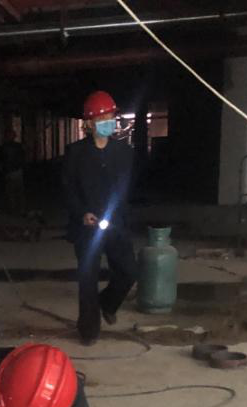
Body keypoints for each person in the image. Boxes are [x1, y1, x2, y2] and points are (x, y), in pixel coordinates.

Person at [62, 90, 137, 345]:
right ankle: (88, 330)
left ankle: (107, 303)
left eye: (111, 117)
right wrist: (81, 213)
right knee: (87, 280)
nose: (108, 122)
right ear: (90, 123)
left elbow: (126, 189)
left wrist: (121, 216)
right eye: (102, 118)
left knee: (128, 272)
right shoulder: (75, 153)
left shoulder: (124, 152)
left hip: (116, 224)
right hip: (87, 227)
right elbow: (68, 189)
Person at [0, 130, 26, 215]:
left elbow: (2, 159)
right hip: (16, 171)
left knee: (11, 192)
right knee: (17, 192)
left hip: (11, 171)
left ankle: (14, 209)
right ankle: (18, 209)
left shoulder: (5, 147)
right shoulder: (18, 146)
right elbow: (22, 158)